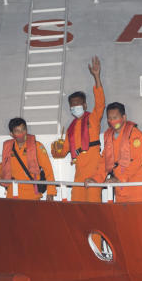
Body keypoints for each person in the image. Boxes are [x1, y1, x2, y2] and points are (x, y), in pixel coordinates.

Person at [61, 57, 107, 202]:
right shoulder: (70, 128)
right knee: (77, 204)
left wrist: (97, 77)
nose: (75, 107)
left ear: (85, 105)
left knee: (93, 204)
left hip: (94, 170)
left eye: (78, 104)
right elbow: (63, 152)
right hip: (79, 172)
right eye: (72, 106)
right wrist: (56, 149)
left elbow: (100, 103)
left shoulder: (93, 119)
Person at [87, 103, 142, 202]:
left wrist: (120, 178)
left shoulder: (135, 134)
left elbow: (137, 161)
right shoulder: (108, 136)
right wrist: (96, 179)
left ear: (124, 117)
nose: (112, 121)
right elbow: (105, 161)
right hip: (120, 188)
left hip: (136, 187)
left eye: (115, 117)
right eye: (109, 118)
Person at [0, 118, 56, 201]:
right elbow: (4, 165)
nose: (21, 133)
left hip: (32, 195)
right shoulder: (8, 147)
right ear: (11, 134)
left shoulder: (37, 146)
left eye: (23, 129)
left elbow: (48, 169)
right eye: (17, 131)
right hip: (12, 193)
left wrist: (51, 192)